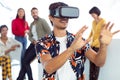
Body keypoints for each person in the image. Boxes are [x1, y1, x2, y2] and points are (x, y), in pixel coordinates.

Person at [35, 2, 120, 80]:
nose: (64, 18)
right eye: (60, 14)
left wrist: (103, 46)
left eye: (66, 14)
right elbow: (49, 68)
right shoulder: (42, 42)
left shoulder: (78, 40)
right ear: (51, 17)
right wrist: (71, 49)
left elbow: (99, 62)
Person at [17, 7, 51, 80]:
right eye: (33, 13)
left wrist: (42, 42)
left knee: (26, 61)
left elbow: (49, 32)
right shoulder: (32, 24)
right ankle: (19, 78)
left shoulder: (42, 21)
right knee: (24, 60)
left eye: (36, 12)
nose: (35, 14)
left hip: (39, 45)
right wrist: (33, 40)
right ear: (31, 14)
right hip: (33, 44)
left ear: (38, 13)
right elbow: (29, 36)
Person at [88, 6, 106, 80]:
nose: (92, 15)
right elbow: (92, 32)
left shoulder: (103, 21)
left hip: (98, 45)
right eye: (91, 14)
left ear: (97, 13)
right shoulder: (93, 22)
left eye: (93, 14)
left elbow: (103, 34)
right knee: (91, 65)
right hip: (92, 45)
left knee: (96, 66)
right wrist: (88, 39)